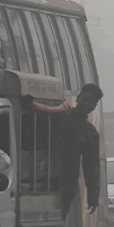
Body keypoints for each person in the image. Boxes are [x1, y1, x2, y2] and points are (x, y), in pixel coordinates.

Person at [25, 84, 103, 218]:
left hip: (65, 185)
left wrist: (93, 196)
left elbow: (91, 166)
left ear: (94, 107)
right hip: (40, 178)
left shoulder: (90, 133)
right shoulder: (59, 116)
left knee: (58, 221)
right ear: (78, 98)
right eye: (85, 99)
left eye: (91, 102)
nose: (86, 104)